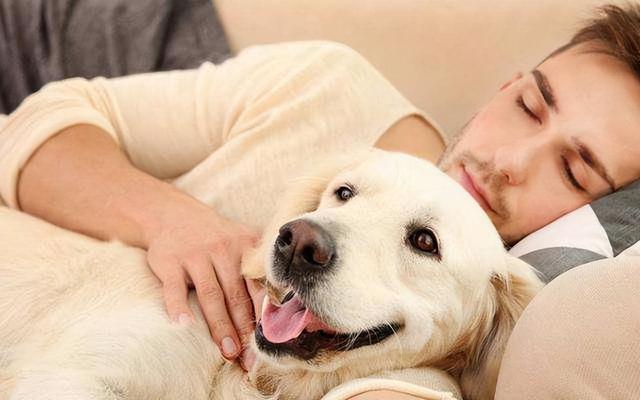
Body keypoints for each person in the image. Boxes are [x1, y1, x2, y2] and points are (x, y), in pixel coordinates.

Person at [0, 3, 639, 400]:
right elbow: (41, 118)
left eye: (574, 170)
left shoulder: (463, 324)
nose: (506, 163)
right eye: (528, 107)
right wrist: (174, 219)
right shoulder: (327, 85)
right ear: (507, 88)